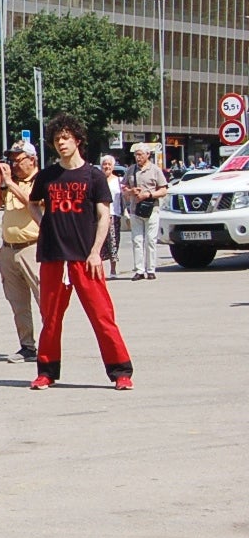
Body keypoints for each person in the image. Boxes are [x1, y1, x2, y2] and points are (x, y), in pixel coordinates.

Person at [27, 116, 134, 391]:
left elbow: (104, 215)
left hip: (85, 258)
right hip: (53, 256)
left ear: (77, 140)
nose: (61, 143)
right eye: (56, 139)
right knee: (50, 318)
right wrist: (45, 225)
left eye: (65, 138)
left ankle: (121, 372)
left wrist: (96, 252)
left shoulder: (93, 176)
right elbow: (33, 204)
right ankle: (46, 372)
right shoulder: (48, 176)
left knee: (102, 316)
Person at [0, 142, 41, 363]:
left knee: (45, 300)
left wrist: (10, 183)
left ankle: (51, 345)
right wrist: (2, 186)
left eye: (18, 159)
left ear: (32, 160)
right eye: (11, 160)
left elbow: (31, 201)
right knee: (18, 303)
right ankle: (27, 346)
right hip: (9, 249)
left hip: (32, 248)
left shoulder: (40, 181)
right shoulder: (11, 184)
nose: (14, 164)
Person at [123, 143, 168, 280]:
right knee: (137, 240)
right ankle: (139, 270)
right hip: (135, 209)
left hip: (151, 209)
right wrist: (131, 191)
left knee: (150, 240)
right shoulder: (131, 170)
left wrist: (148, 195)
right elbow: (123, 187)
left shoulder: (155, 170)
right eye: (136, 155)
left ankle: (151, 269)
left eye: (140, 154)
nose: (138, 157)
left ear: (148, 155)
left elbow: (163, 190)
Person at [98, 154, 123, 278]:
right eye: (104, 164)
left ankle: (113, 270)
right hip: (99, 215)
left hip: (114, 214)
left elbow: (124, 197)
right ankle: (99, 270)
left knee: (113, 242)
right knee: (99, 242)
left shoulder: (119, 181)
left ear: (113, 166)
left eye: (109, 164)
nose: (106, 166)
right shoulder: (97, 180)